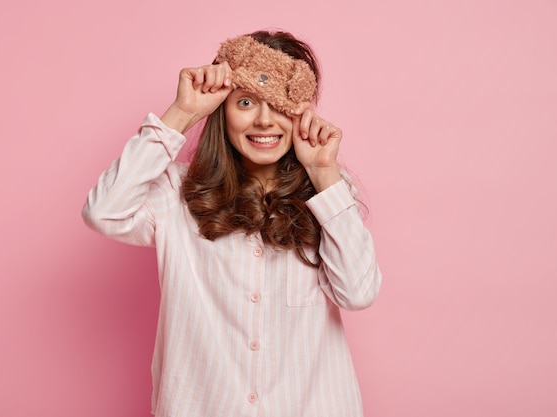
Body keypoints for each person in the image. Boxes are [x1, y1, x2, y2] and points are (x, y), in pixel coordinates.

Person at [82, 30, 382, 417]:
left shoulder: (331, 193)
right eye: (245, 102)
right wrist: (182, 113)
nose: (263, 120)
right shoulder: (175, 191)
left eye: (279, 105)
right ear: (222, 110)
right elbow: (103, 212)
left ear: (303, 112)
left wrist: (324, 173)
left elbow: (358, 293)